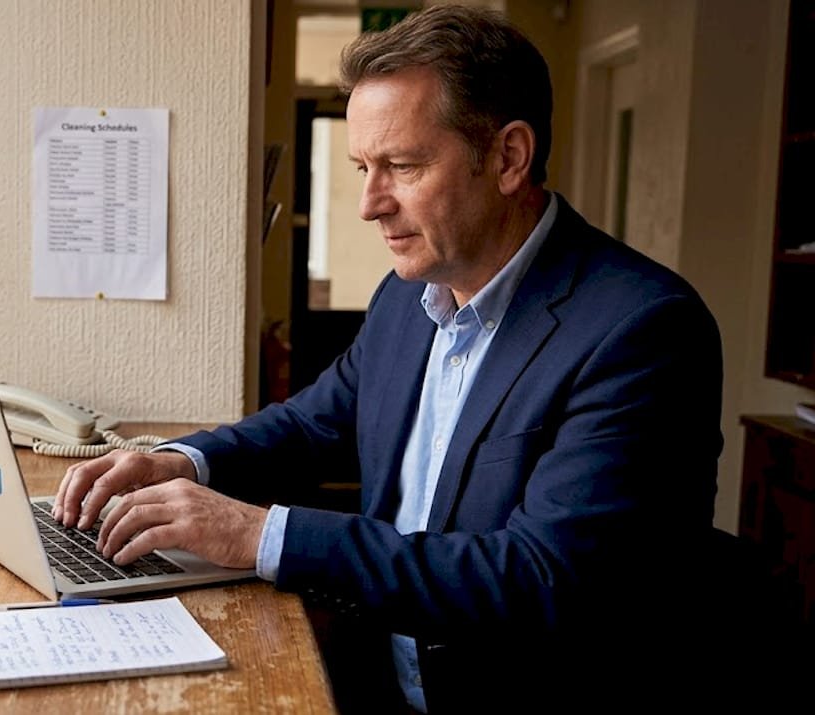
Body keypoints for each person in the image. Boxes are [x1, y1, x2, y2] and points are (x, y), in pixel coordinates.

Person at [54, 6, 791, 713]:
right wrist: (181, 462)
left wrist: (259, 533)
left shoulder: (643, 329)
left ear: (508, 157)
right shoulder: (410, 296)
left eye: (400, 166)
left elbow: (539, 578)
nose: (371, 203)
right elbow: (314, 423)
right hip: (378, 678)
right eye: (363, 167)